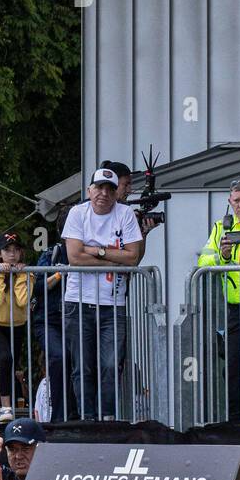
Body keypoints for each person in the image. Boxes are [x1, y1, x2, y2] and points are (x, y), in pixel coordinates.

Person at [61, 167, 142, 420]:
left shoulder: (125, 213)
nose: (103, 194)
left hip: (113, 303)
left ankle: (107, 418)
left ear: (117, 193)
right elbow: (74, 256)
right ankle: (87, 419)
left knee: (109, 365)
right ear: (89, 190)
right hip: (78, 302)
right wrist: (112, 261)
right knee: (82, 367)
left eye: (109, 189)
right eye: (99, 187)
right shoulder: (77, 212)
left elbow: (133, 257)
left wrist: (97, 251)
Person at [196, 179, 240, 421]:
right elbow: (203, 262)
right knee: (233, 366)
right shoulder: (221, 227)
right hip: (235, 309)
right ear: (229, 201)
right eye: (237, 200)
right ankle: (236, 422)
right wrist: (222, 256)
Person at [0, 232, 35, 424]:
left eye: (16, 250)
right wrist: (0, 274)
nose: (12, 255)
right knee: (5, 357)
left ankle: (8, 403)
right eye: (7, 250)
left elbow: (22, 300)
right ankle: (5, 406)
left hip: (17, 323)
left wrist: (21, 275)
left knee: (11, 364)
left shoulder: (26, 272)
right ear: (0, 253)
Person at [32, 203, 73, 423]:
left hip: (77, 318)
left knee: (81, 362)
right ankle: (58, 419)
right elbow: (36, 286)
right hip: (49, 319)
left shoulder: (89, 252)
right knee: (58, 356)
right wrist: (59, 274)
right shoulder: (51, 254)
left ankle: (80, 415)